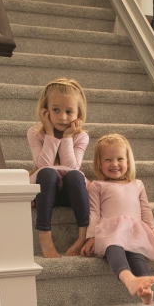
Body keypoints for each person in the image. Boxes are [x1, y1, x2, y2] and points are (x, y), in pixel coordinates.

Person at [81, 134, 154, 305]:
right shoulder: (98, 186)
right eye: (108, 159)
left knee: (137, 255)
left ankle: (145, 289)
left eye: (119, 159)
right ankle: (129, 280)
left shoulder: (137, 184)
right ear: (99, 163)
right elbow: (94, 212)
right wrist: (91, 237)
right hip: (110, 231)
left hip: (134, 230)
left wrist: (152, 229)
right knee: (114, 249)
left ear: (128, 161)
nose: (114, 164)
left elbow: (145, 208)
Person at [28, 78, 90, 258]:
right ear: (45, 111)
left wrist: (68, 137)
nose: (62, 117)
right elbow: (43, 166)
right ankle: (45, 236)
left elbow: (72, 167)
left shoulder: (81, 136)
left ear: (78, 115)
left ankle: (82, 237)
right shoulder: (35, 133)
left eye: (69, 111)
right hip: (45, 192)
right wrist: (49, 133)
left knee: (76, 176)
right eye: (56, 110)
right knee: (48, 173)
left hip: (71, 192)